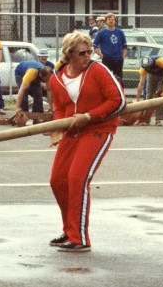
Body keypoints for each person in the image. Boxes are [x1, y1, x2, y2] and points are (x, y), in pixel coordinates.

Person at [48, 31, 126, 252]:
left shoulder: (98, 70)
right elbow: (60, 108)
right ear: (69, 53)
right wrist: (58, 127)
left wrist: (89, 116)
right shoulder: (57, 77)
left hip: (98, 129)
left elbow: (119, 101)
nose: (87, 56)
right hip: (72, 132)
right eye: (82, 53)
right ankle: (69, 230)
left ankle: (80, 237)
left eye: (90, 52)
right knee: (58, 181)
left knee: (77, 178)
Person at [135, 54, 163, 125]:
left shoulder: (160, 61)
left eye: (149, 67)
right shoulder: (143, 68)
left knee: (161, 96)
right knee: (149, 96)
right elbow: (141, 84)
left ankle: (158, 119)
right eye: (147, 68)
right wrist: (137, 100)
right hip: (151, 76)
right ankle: (146, 120)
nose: (148, 69)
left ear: (152, 64)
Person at [92, 12, 127, 81]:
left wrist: (122, 57)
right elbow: (95, 47)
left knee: (118, 80)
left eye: (112, 19)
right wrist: (103, 57)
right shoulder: (101, 33)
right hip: (107, 60)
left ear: (115, 21)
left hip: (118, 60)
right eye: (109, 19)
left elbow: (125, 47)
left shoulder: (120, 32)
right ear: (106, 21)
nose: (111, 21)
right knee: (106, 79)